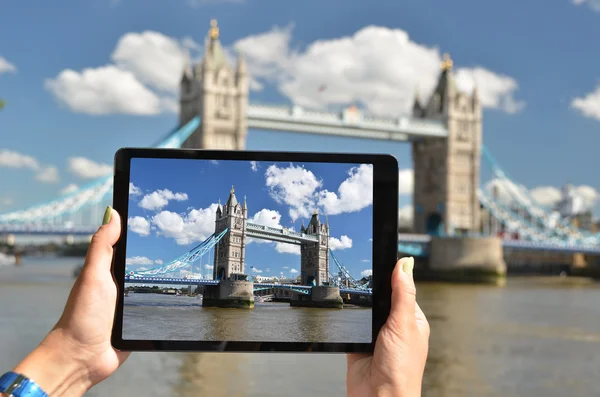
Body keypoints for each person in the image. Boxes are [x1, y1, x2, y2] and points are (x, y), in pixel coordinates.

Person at [0, 207, 430, 397]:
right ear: (230, 222)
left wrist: (69, 358)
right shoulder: (228, 240)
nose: (235, 232)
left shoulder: (316, 256)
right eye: (234, 224)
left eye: (235, 224)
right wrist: (390, 391)